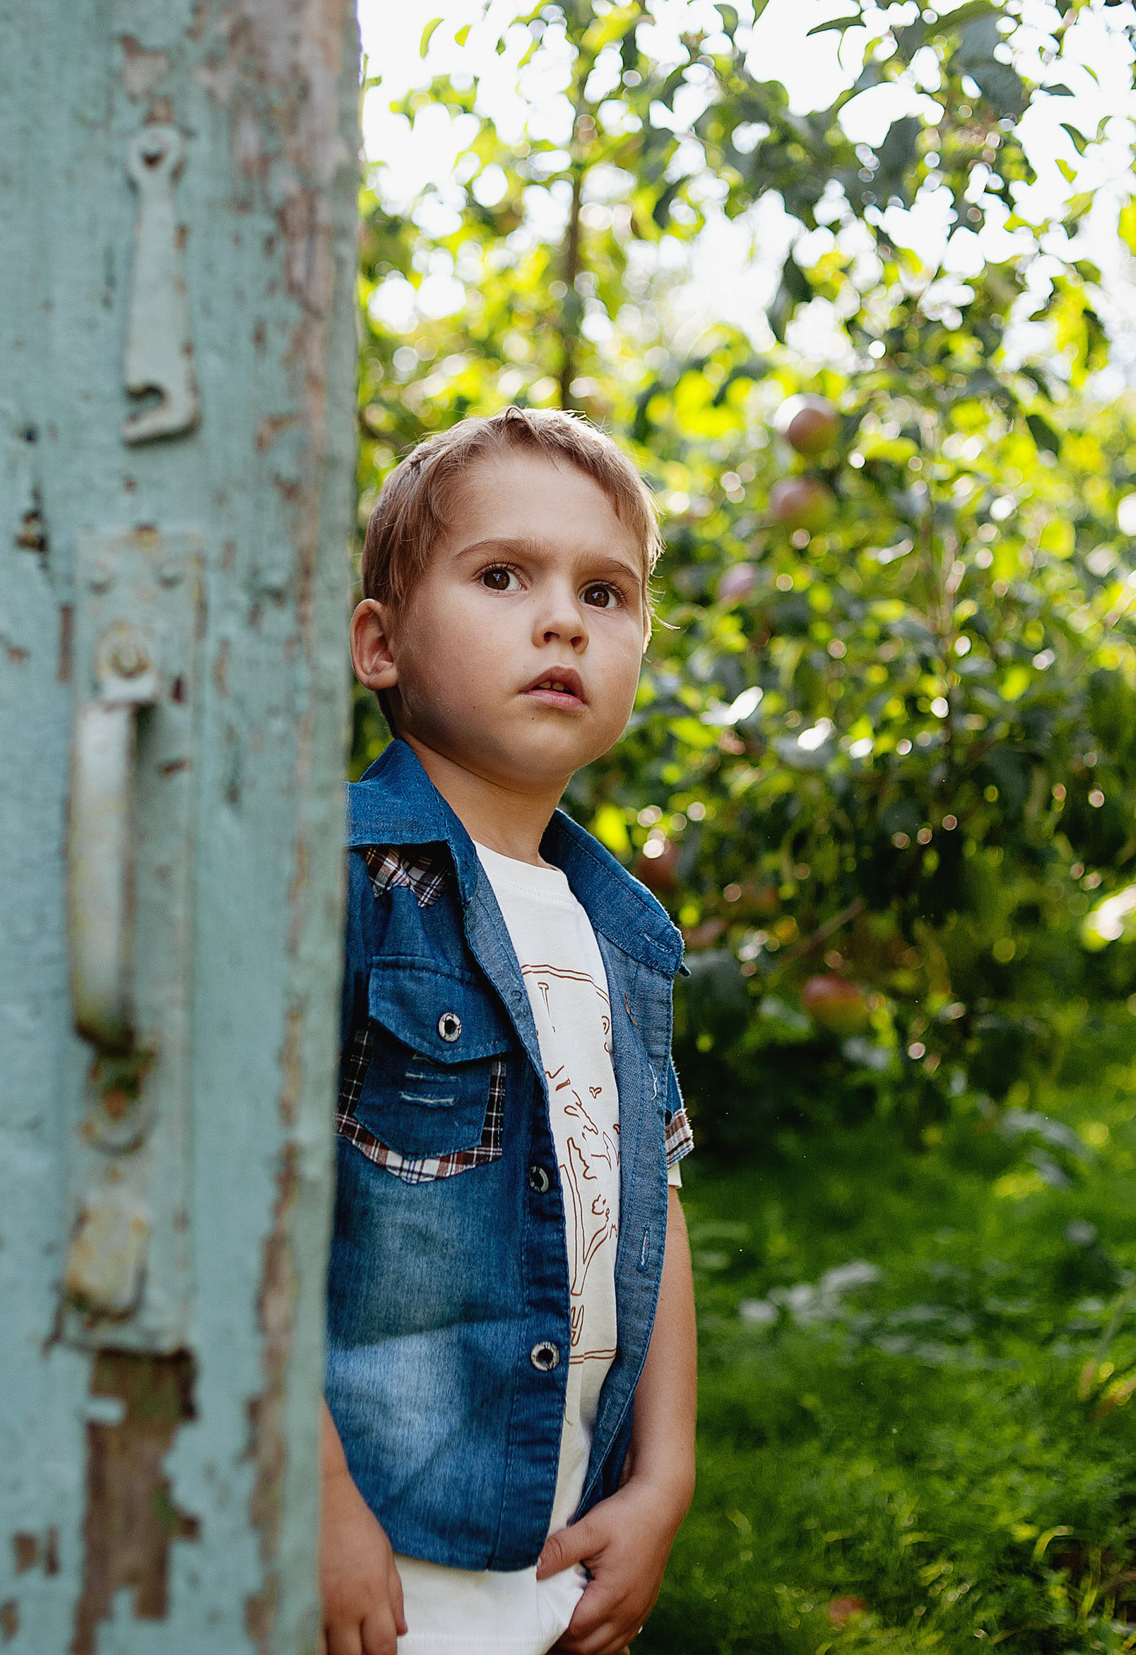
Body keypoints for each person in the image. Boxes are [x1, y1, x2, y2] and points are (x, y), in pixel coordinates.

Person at [324, 407, 696, 1655]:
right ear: (379, 644)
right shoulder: (342, 887)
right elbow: (235, 1213)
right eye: (502, 576)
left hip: (559, 1545)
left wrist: (664, 1477)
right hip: (376, 1544)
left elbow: (655, 1197)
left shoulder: (623, 934)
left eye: (607, 592)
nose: (564, 622)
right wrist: (307, 1493)